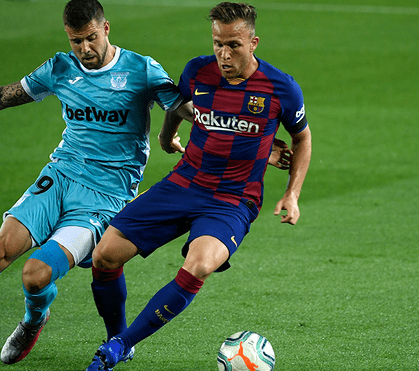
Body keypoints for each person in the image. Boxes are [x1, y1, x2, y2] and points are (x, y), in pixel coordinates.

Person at [0, 1, 187, 370]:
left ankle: (34, 320)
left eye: (91, 38)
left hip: (105, 197)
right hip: (60, 176)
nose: (85, 49)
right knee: (0, 250)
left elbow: (181, 106)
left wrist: (175, 135)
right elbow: (0, 97)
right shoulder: (60, 68)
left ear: (106, 28)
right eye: (76, 41)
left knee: (35, 275)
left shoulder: (141, 70)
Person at [85, 2, 312, 370]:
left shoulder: (280, 88)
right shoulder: (197, 71)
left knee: (201, 264)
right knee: (104, 256)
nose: (223, 54)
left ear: (253, 43)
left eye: (233, 45)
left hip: (233, 199)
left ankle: (118, 346)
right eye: (217, 43)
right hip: (185, 182)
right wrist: (166, 136)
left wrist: (292, 193)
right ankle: (118, 340)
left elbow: (302, 139)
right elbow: (177, 106)